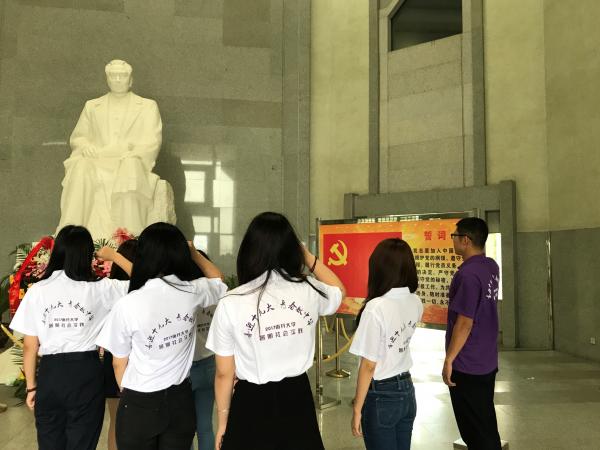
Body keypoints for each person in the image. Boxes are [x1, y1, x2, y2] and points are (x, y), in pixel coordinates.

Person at [206, 211, 346, 450]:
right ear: (292, 250)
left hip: (251, 402)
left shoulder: (232, 302)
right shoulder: (308, 289)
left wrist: (223, 422)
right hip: (297, 397)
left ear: (249, 251)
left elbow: (224, 374)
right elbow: (339, 291)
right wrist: (307, 256)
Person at [96, 222, 227, 450]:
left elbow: (118, 363)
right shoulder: (192, 291)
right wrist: (195, 254)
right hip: (180, 400)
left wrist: (131, 398)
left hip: (140, 401)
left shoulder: (128, 304)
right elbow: (218, 281)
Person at [8, 225, 132, 450]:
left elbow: (29, 346)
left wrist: (31, 387)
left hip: (50, 374)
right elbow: (146, 282)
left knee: (50, 442)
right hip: (86, 373)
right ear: (87, 255)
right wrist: (114, 256)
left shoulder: (38, 290)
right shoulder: (100, 288)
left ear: (57, 251)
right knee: (82, 441)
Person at [57, 59, 165, 238]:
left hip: (128, 160)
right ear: (107, 79)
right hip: (97, 161)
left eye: (122, 75)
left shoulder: (147, 106)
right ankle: (70, 234)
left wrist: (131, 152)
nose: (118, 79)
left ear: (131, 79)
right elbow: (79, 137)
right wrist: (86, 146)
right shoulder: (92, 106)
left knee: (130, 166)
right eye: (113, 76)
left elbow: (152, 140)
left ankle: (128, 236)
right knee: (80, 167)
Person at [349, 238, 423, 450]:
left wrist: (357, 408)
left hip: (382, 395)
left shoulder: (376, 307)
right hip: (407, 390)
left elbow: (369, 365)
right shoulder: (415, 301)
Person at [443, 217, 502, 450]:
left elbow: (464, 323)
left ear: (465, 240)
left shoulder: (467, 275)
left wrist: (449, 360)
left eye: (455, 236)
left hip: (468, 363)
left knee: (475, 432)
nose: (453, 240)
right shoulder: (491, 266)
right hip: (487, 359)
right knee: (485, 421)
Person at [103, 238, 138, 450]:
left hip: (112, 358)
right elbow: (141, 278)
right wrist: (114, 255)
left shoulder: (108, 287)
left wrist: (115, 256)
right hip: (137, 359)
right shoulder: (140, 289)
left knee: (116, 421)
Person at [189, 249, 217, 450]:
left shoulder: (184, 295)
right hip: (210, 364)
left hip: (187, 369)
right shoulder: (216, 295)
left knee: (185, 427)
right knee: (205, 426)